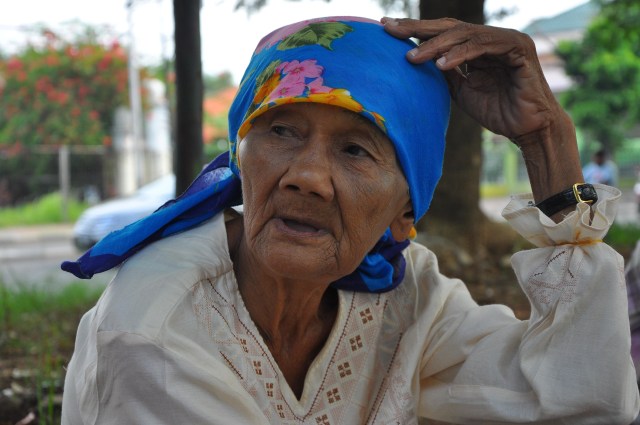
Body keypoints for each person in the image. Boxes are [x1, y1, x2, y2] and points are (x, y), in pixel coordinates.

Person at [60, 16, 640, 424]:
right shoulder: (153, 326)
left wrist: (547, 141)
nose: (305, 176)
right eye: (281, 131)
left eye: (356, 150)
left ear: (404, 212)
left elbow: (582, 398)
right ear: (242, 158)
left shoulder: (405, 295)